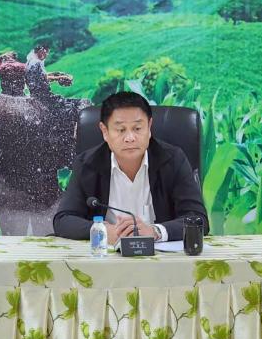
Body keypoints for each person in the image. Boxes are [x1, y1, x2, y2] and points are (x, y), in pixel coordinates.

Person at [53, 91, 209, 243]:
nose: (130, 138)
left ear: (149, 127)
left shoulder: (173, 160)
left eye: (137, 128)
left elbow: (198, 219)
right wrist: (101, 231)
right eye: (121, 130)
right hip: (107, 254)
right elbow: (64, 220)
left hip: (159, 254)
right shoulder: (87, 164)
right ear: (105, 131)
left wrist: (155, 231)